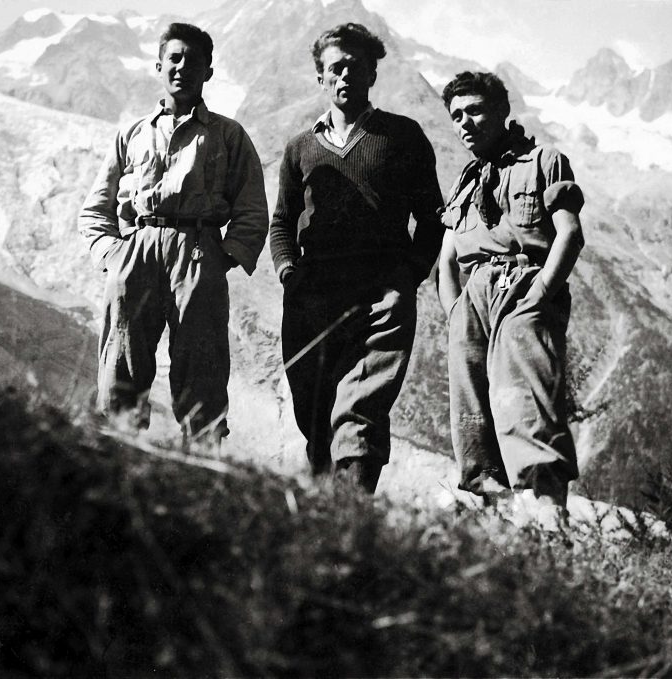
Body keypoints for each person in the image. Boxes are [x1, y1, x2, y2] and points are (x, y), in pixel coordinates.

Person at [269, 23, 445, 492]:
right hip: (311, 297)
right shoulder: (300, 148)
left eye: (354, 66)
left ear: (371, 73)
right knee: (315, 413)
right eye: (334, 68)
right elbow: (282, 222)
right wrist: (289, 273)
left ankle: (354, 516)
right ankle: (325, 524)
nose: (344, 75)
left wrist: (407, 276)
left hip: (380, 295)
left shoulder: (403, 137)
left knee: (360, 411)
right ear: (320, 78)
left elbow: (432, 218)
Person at [78, 22, 268, 444]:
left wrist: (222, 258)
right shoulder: (132, 135)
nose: (182, 67)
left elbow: (252, 208)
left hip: (198, 252)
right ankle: (119, 457)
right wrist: (115, 255)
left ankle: (203, 466)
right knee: (121, 364)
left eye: (193, 61)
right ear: (159, 65)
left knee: (202, 367)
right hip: (137, 251)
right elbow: (96, 208)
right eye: (175, 58)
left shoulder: (228, 135)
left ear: (209, 71)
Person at [436, 71, 585, 523]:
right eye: (457, 115)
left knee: (528, 409)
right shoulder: (464, 185)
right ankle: (501, 530)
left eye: (476, 110)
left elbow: (570, 234)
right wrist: (456, 312)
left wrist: (540, 294)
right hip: (472, 305)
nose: (466, 122)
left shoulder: (544, 160)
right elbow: (444, 263)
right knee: (474, 422)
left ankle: (549, 526)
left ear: (502, 110)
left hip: (523, 291)